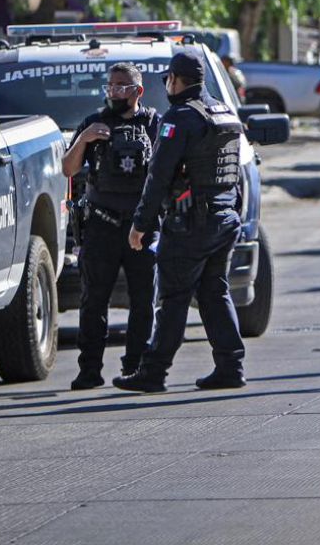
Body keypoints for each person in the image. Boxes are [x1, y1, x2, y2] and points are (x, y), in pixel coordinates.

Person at [114, 50, 246, 393]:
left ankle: (153, 372)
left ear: (174, 80)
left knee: (173, 297)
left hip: (191, 224)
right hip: (225, 217)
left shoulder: (180, 118)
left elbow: (158, 176)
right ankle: (231, 367)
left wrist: (140, 225)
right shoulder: (223, 112)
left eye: (167, 79)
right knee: (214, 291)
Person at [61, 63, 160, 390]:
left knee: (143, 301)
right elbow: (68, 168)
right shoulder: (94, 123)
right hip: (101, 224)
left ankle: (135, 366)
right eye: (111, 86)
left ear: (137, 91)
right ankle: (89, 369)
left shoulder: (153, 123)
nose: (115, 91)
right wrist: (84, 140)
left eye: (122, 86)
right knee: (93, 301)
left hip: (142, 226)